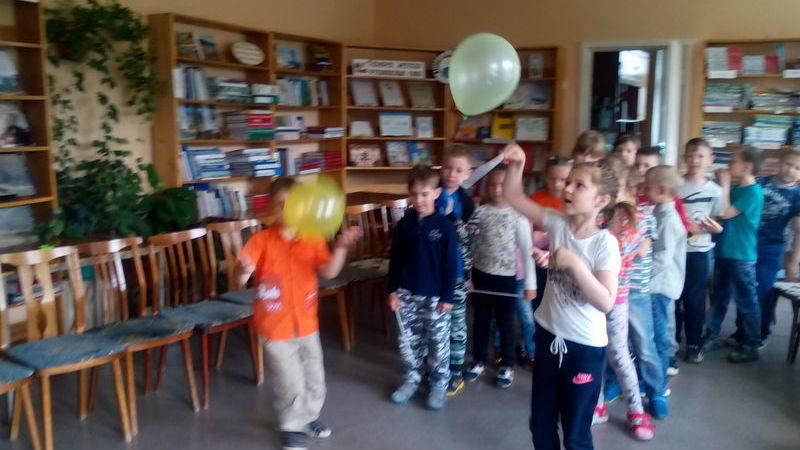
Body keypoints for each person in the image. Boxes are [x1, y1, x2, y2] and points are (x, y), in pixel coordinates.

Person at [503, 142, 621, 450]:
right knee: (540, 424)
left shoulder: (605, 244)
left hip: (583, 349)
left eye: (578, 185)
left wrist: (574, 264)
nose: (567, 188)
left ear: (601, 201)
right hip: (547, 337)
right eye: (568, 182)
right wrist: (517, 164)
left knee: (575, 434)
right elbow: (514, 197)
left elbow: (606, 301)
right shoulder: (557, 223)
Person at [236, 177, 361, 450]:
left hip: (306, 324)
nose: (288, 210)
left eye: (294, 204)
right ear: (271, 207)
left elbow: (329, 272)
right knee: (290, 380)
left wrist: (340, 248)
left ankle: (308, 417)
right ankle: (291, 425)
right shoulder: (261, 241)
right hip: (275, 327)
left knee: (315, 378)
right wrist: (243, 270)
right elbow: (240, 276)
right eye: (281, 204)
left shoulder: (312, 239)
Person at [592, 157, 655, 441]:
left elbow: (620, 249)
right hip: (590, 295)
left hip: (616, 297)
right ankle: (597, 404)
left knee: (618, 353)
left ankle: (636, 411)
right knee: (593, 351)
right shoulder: (599, 214)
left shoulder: (634, 216)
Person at [388, 165, 459, 410]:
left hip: (436, 297)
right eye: (414, 194)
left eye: (425, 194)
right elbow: (395, 259)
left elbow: (451, 265)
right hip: (406, 295)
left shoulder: (445, 226)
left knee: (438, 341)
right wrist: (392, 289)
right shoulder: (404, 225)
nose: (419, 199)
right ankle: (412, 378)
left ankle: (439, 383)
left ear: (436, 193)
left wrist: (448, 296)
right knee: (408, 341)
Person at [463, 166, 537, 389]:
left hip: (506, 279)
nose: (497, 189)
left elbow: (527, 252)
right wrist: (467, 277)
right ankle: (479, 360)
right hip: (480, 275)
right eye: (493, 185)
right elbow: (469, 246)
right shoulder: (479, 212)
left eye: (503, 186)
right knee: (481, 321)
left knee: (506, 323)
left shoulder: (519, 217)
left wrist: (530, 284)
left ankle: (507, 365)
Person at [729, 150, 800, 346]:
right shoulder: (760, 182)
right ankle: (742, 331)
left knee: (762, 291)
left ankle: (760, 334)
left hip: (772, 249)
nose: (791, 170)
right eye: (788, 164)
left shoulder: (797, 195)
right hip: (746, 243)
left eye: (797, 168)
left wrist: (793, 261)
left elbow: (798, 230)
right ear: (779, 163)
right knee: (744, 288)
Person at [703, 146, 765, 363]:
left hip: (742, 256)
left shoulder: (753, 192)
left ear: (747, 167)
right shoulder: (736, 189)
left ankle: (751, 344)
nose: (728, 165)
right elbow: (719, 210)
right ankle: (712, 335)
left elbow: (726, 212)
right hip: (724, 252)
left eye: (733, 162)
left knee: (747, 301)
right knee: (718, 298)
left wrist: (725, 185)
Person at [675, 138, 724, 364]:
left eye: (700, 156)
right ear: (684, 158)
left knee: (695, 299)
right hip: (675, 251)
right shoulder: (676, 185)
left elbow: (716, 220)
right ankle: (673, 341)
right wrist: (685, 226)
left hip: (700, 252)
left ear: (710, 159)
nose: (695, 160)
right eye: (690, 155)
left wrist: (714, 228)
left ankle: (694, 343)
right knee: (674, 297)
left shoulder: (715, 190)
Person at [644, 165, 687, 419]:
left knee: (658, 337)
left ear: (661, 190)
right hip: (656, 284)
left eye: (647, 186)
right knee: (651, 336)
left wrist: (640, 275)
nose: (643, 190)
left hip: (659, 286)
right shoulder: (658, 212)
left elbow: (662, 258)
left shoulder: (668, 219)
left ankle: (659, 386)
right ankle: (651, 380)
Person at [434, 144, 476, 396]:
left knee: (456, 323)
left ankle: (455, 370)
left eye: (458, 170)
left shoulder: (467, 204)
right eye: (448, 167)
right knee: (433, 321)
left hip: (457, 273)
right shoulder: (429, 193)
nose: (451, 173)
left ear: (467, 173)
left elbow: (469, 240)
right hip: (430, 272)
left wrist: (451, 220)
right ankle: (435, 366)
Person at [526, 155, 572, 361]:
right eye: (553, 178)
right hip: (538, 262)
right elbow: (525, 230)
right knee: (538, 305)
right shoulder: (535, 199)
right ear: (545, 176)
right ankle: (538, 346)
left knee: (560, 305)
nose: (558, 184)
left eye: (563, 180)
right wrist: (535, 239)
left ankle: (559, 345)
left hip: (564, 263)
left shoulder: (572, 201)